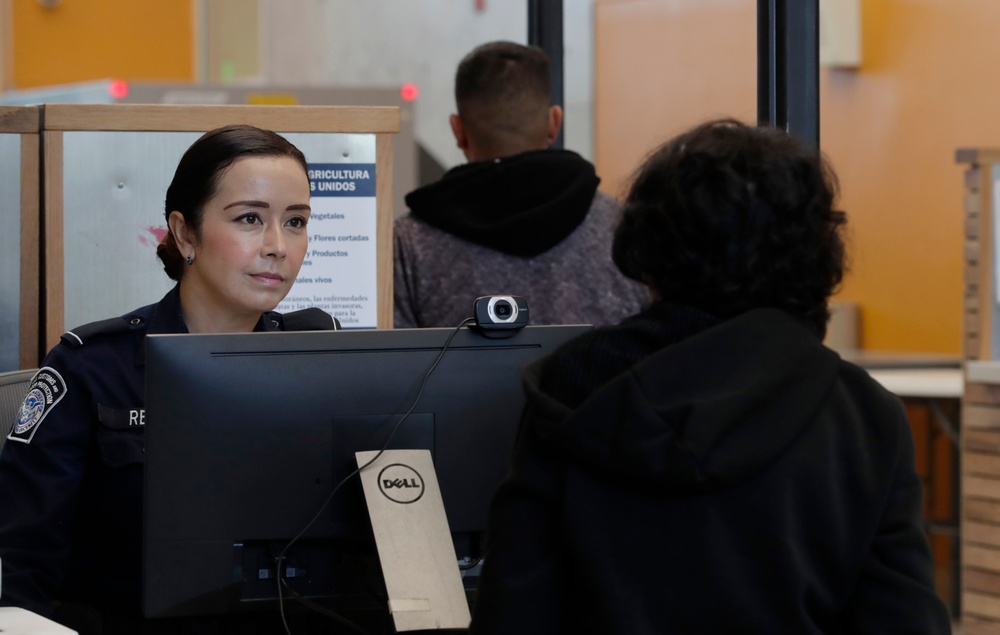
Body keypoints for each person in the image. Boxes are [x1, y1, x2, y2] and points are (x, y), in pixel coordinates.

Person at [468, 119, 953, 634]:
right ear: (814, 256)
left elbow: (515, 614)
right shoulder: (861, 418)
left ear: (649, 250)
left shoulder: (572, 389)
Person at [0, 125, 337, 633]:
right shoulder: (92, 369)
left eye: (295, 221)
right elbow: (20, 564)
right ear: (184, 234)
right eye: (250, 218)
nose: (277, 246)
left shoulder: (325, 358)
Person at [393, 40, 648, 328]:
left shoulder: (411, 243)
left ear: (458, 130)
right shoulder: (623, 228)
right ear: (554, 122)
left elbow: (390, 362)